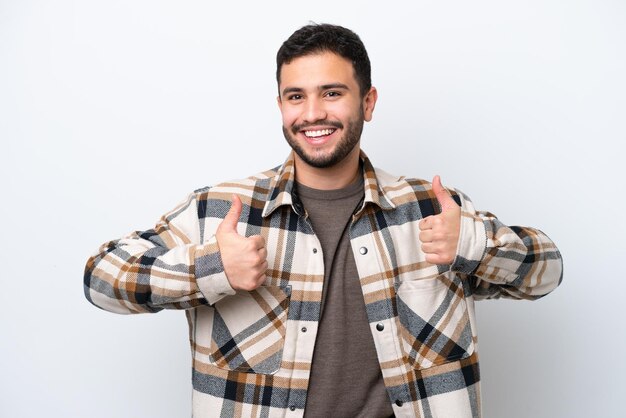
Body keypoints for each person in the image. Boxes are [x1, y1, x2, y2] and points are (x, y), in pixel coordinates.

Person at [84, 23, 563, 418]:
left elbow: (548, 272)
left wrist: (476, 246)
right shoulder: (221, 213)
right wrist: (210, 269)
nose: (312, 113)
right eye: (295, 97)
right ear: (280, 106)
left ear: (368, 103)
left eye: (331, 93)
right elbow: (100, 277)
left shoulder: (433, 211)